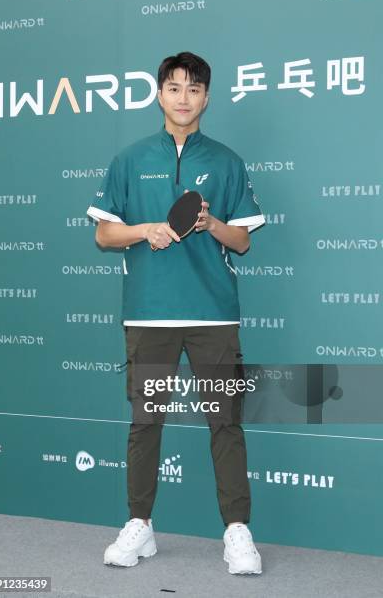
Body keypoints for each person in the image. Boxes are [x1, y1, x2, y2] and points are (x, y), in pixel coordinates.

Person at [87, 52, 265, 575]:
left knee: (226, 423)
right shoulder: (130, 159)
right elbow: (103, 233)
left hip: (214, 315)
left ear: (206, 97)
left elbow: (245, 243)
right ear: (159, 94)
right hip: (148, 315)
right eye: (173, 87)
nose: (183, 98)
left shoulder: (228, 162)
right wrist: (145, 230)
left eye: (193, 89)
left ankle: (237, 531)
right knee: (145, 424)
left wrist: (211, 224)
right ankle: (140, 526)